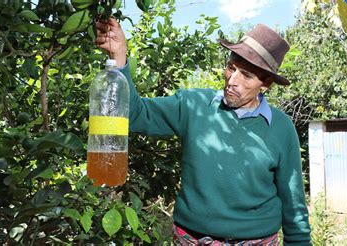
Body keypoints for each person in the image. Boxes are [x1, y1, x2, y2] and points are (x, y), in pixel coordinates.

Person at [95, 18, 312, 245]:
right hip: (191, 239)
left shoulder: (280, 127)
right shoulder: (194, 105)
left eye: (246, 75)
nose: (232, 80)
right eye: (231, 67)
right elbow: (135, 114)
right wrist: (118, 56)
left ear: (266, 84)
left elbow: (293, 203)